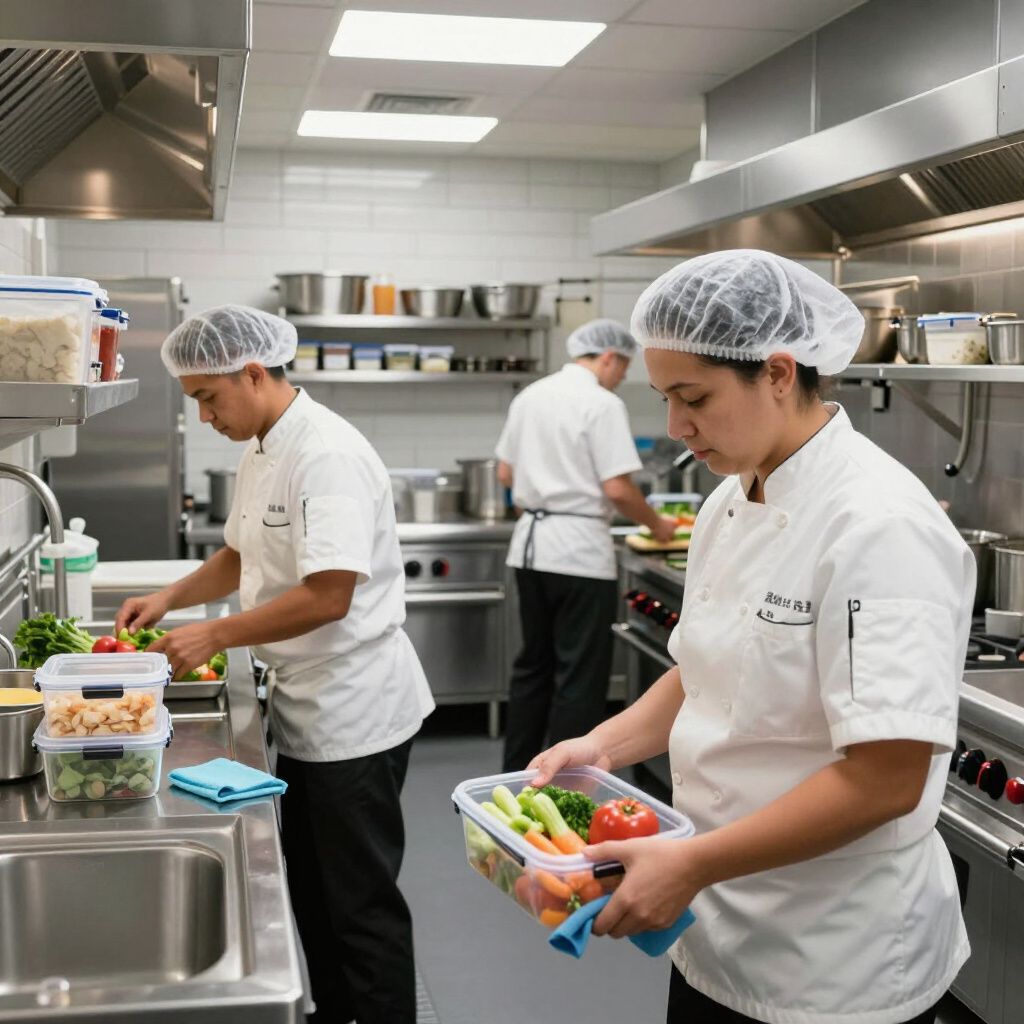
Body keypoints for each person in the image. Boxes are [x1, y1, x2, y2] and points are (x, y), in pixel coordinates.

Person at [528, 251, 972, 1024]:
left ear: (776, 371)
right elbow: (704, 666)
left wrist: (691, 861)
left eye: (693, 397)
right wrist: (603, 747)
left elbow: (887, 779)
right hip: (715, 925)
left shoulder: (878, 525)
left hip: (835, 961)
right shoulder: (727, 505)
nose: (676, 427)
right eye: (664, 397)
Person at [114, 305, 434, 1024]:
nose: (203, 416)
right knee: (317, 895)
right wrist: (171, 596)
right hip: (305, 701)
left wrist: (215, 635)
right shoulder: (264, 445)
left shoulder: (325, 455)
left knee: (361, 906)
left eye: (207, 397)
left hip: (356, 712)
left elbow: (329, 596)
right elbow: (239, 553)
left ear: (253, 373)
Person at [494, 318, 677, 772]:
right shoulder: (601, 404)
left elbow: (505, 474)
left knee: (532, 668)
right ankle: (564, 779)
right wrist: (658, 525)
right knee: (579, 675)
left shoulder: (530, 396)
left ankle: (517, 772)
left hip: (530, 549)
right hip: (579, 554)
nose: (622, 377)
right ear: (609, 357)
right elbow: (618, 489)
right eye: (623, 367)